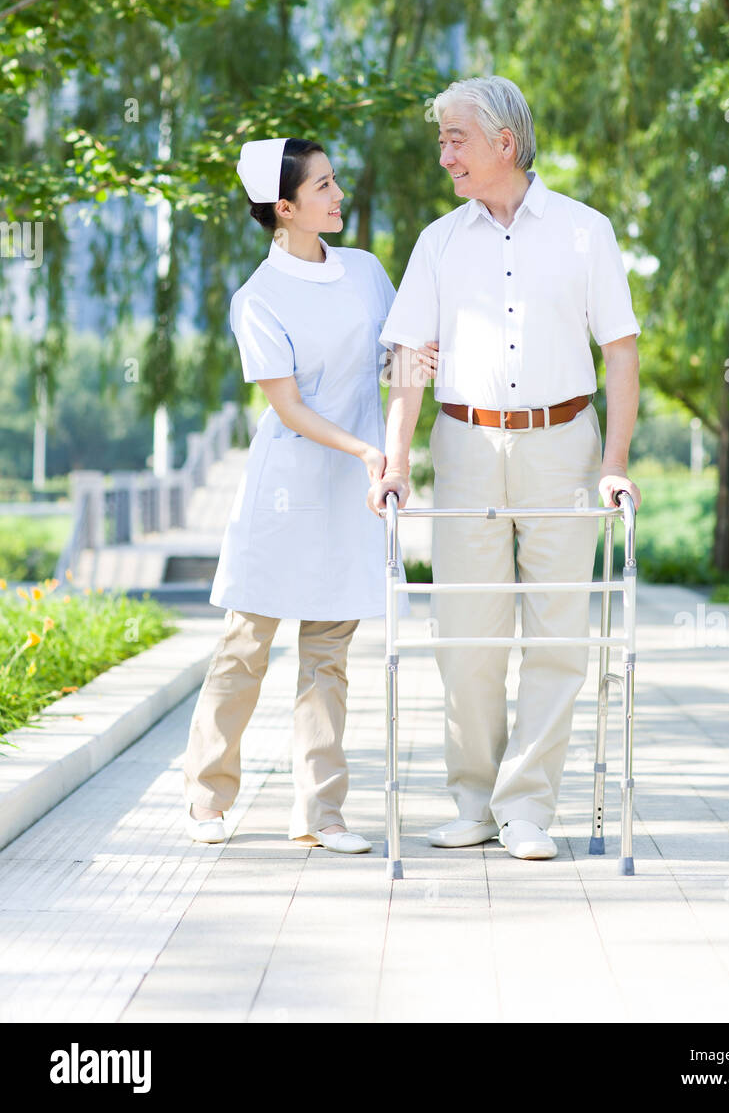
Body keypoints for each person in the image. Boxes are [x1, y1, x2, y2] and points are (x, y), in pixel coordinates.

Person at [369, 76, 642, 861]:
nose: (444, 152)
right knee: (466, 633)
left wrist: (615, 463)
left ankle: (528, 809)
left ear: (505, 144)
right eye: (443, 138)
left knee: (559, 632)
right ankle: (472, 802)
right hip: (465, 448)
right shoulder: (439, 241)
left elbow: (619, 352)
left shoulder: (587, 232)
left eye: (456, 137)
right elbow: (410, 359)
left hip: (563, 445)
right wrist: (396, 461)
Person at [183, 136, 436, 853]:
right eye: (322, 187)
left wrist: (417, 383)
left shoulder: (363, 271)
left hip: (356, 488)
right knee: (245, 645)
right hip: (289, 486)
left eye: (335, 180)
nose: (337, 194)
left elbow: (400, 353)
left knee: (329, 654)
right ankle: (206, 800)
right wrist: (366, 450)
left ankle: (320, 813)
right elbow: (288, 407)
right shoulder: (257, 298)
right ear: (284, 208)